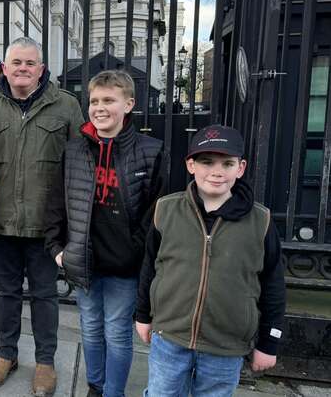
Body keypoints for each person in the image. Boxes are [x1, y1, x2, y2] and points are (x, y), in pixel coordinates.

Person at [135, 124, 286, 397]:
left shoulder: (260, 221)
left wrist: (269, 342)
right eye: (207, 162)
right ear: (191, 165)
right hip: (170, 337)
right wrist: (143, 315)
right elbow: (150, 267)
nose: (217, 172)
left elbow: (273, 284)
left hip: (225, 346)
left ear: (240, 168)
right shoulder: (165, 210)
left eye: (227, 164)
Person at [0, 36, 84, 397]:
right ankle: (6, 354)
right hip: (2, 222)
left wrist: (74, 223)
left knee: (44, 296)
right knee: (5, 293)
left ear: (41, 69)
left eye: (30, 63)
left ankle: (45, 362)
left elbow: (81, 166)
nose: (22, 69)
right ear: (4, 68)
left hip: (46, 226)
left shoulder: (66, 107)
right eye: (16, 63)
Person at [44, 70, 165, 397]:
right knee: (91, 329)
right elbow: (57, 200)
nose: (99, 107)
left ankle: (114, 392)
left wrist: (135, 251)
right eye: (94, 100)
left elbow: (157, 211)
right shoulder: (75, 150)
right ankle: (95, 387)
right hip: (85, 259)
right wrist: (57, 246)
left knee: (116, 332)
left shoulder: (151, 151)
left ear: (128, 104)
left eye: (108, 100)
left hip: (124, 267)